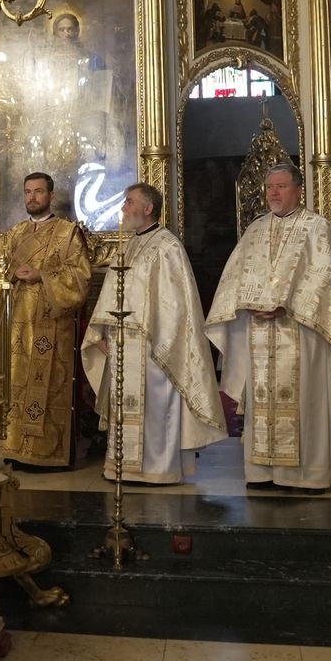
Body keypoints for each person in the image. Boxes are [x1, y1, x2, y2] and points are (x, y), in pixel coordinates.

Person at [206, 164, 331, 491]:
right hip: (259, 333)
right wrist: (245, 302)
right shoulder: (256, 229)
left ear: (299, 190)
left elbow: (326, 281)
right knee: (261, 400)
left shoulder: (316, 228)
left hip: (301, 331)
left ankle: (305, 475)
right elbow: (235, 276)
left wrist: (286, 304)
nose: (273, 193)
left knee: (304, 401)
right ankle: (262, 471)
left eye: (280, 186)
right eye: (269, 187)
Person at [81, 183, 225, 484]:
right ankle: (123, 467)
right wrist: (104, 332)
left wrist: (158, 336)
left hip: (155, 345)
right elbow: (112, 294)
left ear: (148, 208)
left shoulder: (167, 246)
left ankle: (159, 469)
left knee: (156, 407)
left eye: (130, 202)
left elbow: (177, 304)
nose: (124, 207)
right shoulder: (128, 245)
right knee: (125, 405)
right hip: (122, 344)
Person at [0, 172, 92, 470]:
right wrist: (9, 273)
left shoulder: (68, 233)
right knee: (16, 385)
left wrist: (42, 275)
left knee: (48, 386)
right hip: (15, 328)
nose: (32, 197)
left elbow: (80, 279)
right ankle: (15, 449)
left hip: (51, 327)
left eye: (39, 192)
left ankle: (47, 455)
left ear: (51, 196)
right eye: (28, 192)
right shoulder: (13, 235)